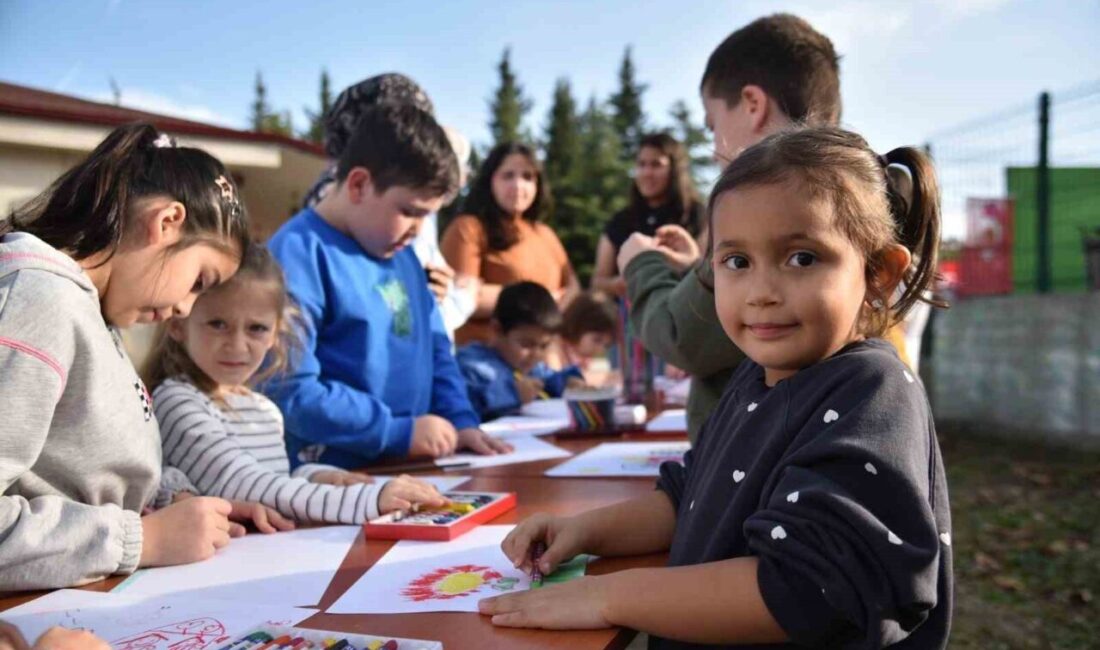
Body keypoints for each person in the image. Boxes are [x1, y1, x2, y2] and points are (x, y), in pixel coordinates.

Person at [479, 127, 953, 650]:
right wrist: (584, 530)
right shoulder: (754, 375)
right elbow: (690, 497)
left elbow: (804, 588)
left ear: (880, 272)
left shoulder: (871, 393)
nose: (760, 293)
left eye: (802, 258)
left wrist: (608, 596)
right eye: (737, 262)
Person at [0, 123, 273, 590]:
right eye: (200, 281)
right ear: (166, 223)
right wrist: (145, 539)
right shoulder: (38, 300)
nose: (186, 308)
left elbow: (80, 472)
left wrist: (172, 503)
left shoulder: (93, 312)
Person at [616, 13, 840, 441]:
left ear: (753, 104)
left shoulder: (777, 197)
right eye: (739, 261)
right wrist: (696, 268)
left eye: (713, 123)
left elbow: (682, 336)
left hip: (755, 459)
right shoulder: (843, 192)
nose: (714, 146)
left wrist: (642, 264)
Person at [265, 103, 511, 469]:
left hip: (410, 467)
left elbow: (436, 348)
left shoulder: (404, 255)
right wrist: (397, 431)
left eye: (428, 216)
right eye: (409, 212)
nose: (418, 230)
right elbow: (289, 388)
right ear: (359, 184)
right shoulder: (295, 256)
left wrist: (460, 420)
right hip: (331, 479)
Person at [146, 244, 448, 524]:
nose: (237, 345)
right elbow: (242, 485)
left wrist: (313, 475)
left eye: (256, 328)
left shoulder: (263, 408)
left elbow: (274, 479)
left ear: (275, 333)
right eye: (218, 324)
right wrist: (369, 500)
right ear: (178, 325)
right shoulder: (177, 402)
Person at [440, 142, 580, 345]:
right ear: (490, 180)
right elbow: (462, 298)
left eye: (527, 177)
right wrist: (543, 301)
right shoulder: (467, 228)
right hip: (484, 356)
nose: (518, 185)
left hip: (543, 354)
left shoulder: (545, 233)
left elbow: (573, 289)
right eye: (508, 176)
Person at [592, 132, 704, 297]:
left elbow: (708, 272)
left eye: (656, 165)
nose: (647, 173)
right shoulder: (621, 220)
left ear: (674, 170)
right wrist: (619, 284)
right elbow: (598, 282)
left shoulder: (697, 215)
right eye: (641, 164)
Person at [456, 281, 584, 421]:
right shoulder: (472, 366)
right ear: (496, 329)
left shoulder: (532, 368)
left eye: (544, 346)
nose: (536, 354)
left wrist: (568, 381)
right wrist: (511, 393)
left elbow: (549, 379)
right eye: (526, 344)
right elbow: (460, 405)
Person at [558, 289, 619, 381]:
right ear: (577, 325)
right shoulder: (555, 347)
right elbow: (559, 378)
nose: (600, 350)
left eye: (606, 345)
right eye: (597, 340)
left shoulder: (582, 355)